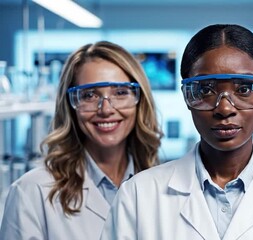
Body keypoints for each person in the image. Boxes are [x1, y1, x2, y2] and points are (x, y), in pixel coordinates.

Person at [101, 24, 253, 240]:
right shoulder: (138, 196)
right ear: (188, 96)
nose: (225, 108)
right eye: (206, 90)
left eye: (244, 89)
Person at [0, 41, 163, 239]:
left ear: (140, 101)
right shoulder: (32, 192)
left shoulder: (160, 187)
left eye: (120, 93)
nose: (106, 109)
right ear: (70, 106)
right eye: (90, 95)